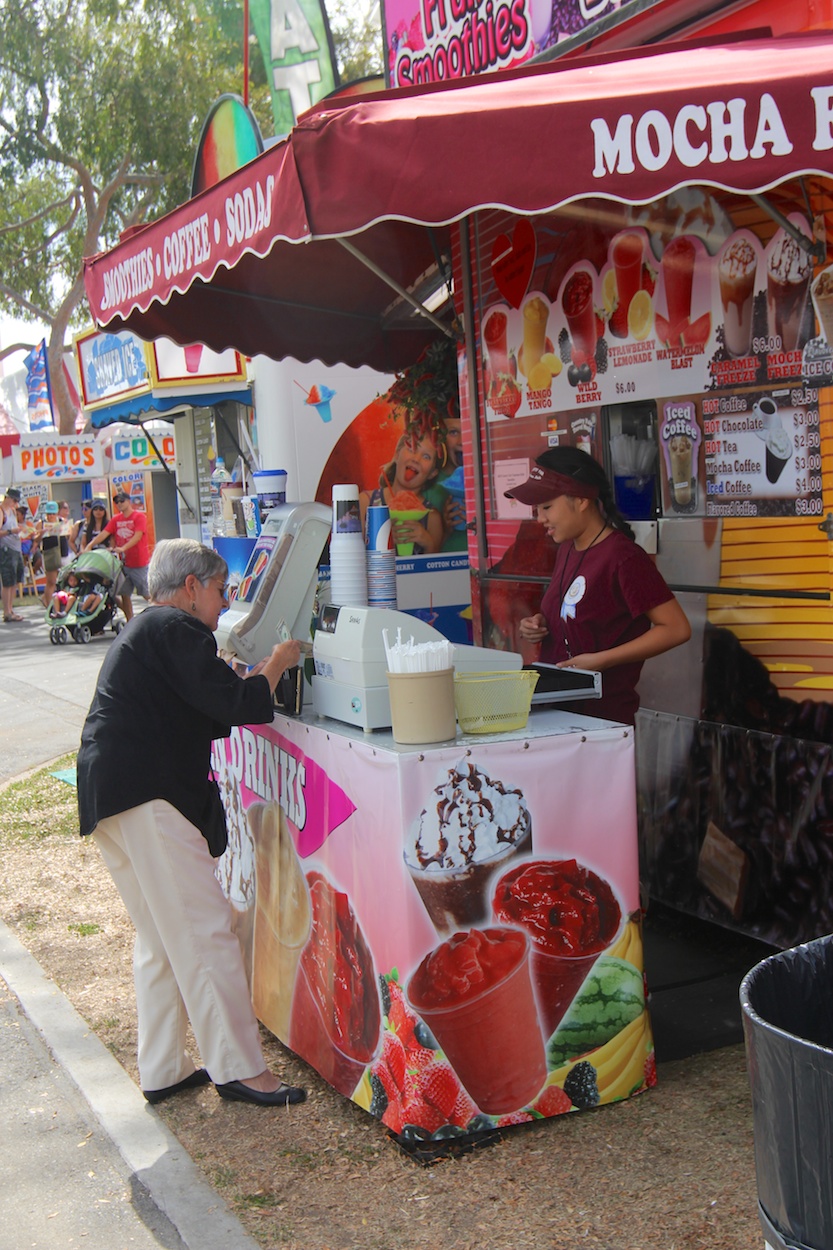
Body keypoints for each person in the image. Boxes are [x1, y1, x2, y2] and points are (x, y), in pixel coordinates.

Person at [77, 538, 306, 1108]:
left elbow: (210, 697)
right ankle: (240, 1069)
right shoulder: (174, 629)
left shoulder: (150, 632)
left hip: (112, 791)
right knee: (206, 931)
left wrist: (247, 676)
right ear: (191, 588)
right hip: (147, 794)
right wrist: (277, 663)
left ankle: (164, 1068)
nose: (224, 602)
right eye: (220, 590)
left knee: (160, 937)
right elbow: (234, 703)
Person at [506, 446, 691, 725]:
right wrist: (537, 624)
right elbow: (577, 612)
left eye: (546, 507)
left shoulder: (623, 557)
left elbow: (676, 628)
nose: (540, 518)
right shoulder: (567, 548)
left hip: (601, 719)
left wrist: (602, 660)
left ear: (581, 500)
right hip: (554, 708)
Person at [359, 430, 444, 554]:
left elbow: (436, 570)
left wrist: (428, 543)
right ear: (397, 454)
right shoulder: (365, 502)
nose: (416, 459)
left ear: (432, 473)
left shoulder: (432, 517)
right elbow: (351, 557)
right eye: (411, 449)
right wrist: (382, 538)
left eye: (426, 456)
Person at [87, 491, 149, 620]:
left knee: (146, 593)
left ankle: (162, 614)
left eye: (122, 501)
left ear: (129, 501)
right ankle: (130, 621)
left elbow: (138, 536)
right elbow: (104, 533)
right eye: (117, 502)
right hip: (122, 564)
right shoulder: (116, 519)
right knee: (124, 593)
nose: (119, 504)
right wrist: (90, 545)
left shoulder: (139, 517)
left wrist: (124, 548)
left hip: (138, 562)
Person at [0, 486, 25, 622]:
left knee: (15, 580)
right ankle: (7, 611)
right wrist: (11, 531)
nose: (16, 504)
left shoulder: (13, 511)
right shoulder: (1, 511)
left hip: (16, 547)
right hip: (6, 548)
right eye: (14, 500)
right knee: (8, 581)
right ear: (8, 498)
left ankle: (10, 609)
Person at [39, 499, 64, 606]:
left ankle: (50, 599)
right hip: (49, 552)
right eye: (49, 514)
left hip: (63, 552)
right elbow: (35, 539)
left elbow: (69, 534)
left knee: (62, 579)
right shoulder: (42, 523)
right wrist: (42, 533)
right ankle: (48, 603)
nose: (51, 516)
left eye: (53, 514)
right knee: (51, 581)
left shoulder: (62, 521)